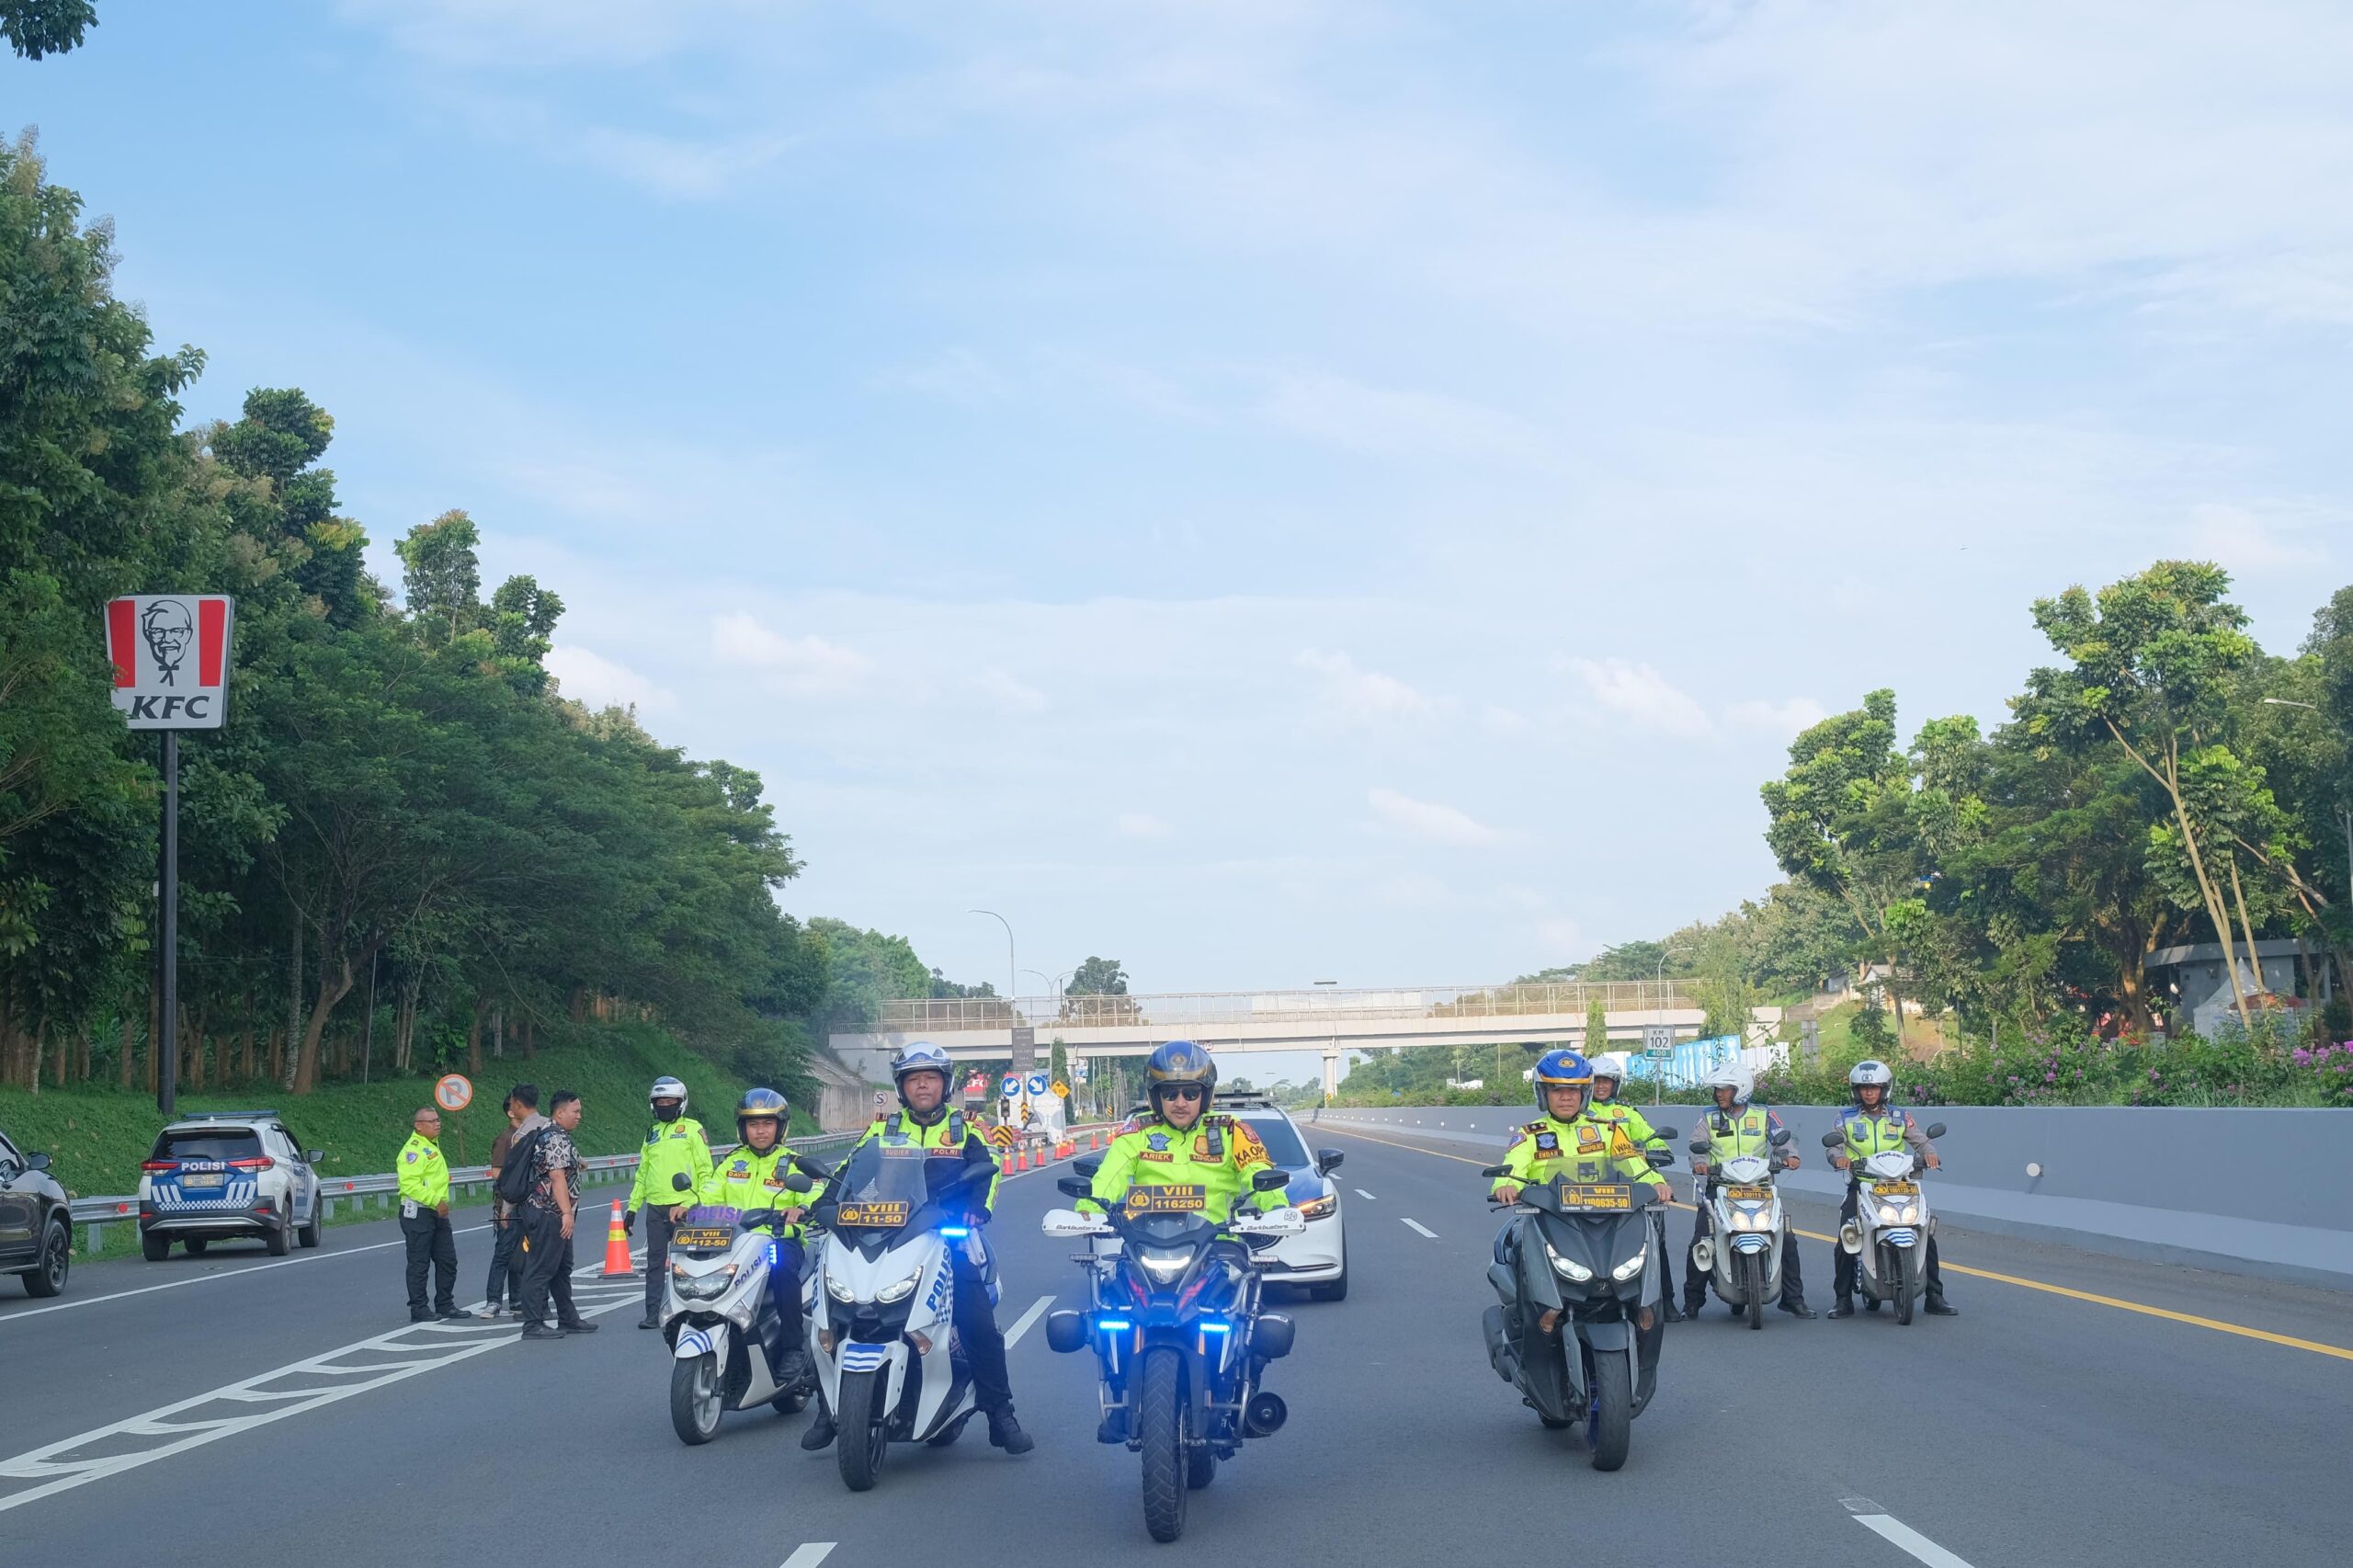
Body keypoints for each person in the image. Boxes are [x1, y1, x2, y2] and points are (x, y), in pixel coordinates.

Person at [801, 1042, 1031, 1455]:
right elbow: (847, 1173)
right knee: (830, 1311)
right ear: (902, 1087)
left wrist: (977, 1211)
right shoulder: (882, 1130)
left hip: (946, 1234)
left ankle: (1000, 1413)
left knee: (977, 1321)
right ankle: (827, 1408)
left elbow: (988, 1174)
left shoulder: (967, 1129)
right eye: (913, 1079)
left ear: (945, 1085)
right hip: (886, 1232)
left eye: (930, 1078)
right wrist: (823, 1203)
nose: (922, 1085)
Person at [1081, 1040, 1289, 1445]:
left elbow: (1260, 1173)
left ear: (1205, 1095)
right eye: (1169, 1093)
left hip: (1218, 1246)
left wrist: (1276, 1206)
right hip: (1144, 1246)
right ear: (1156, 1098)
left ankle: (1243, 1393)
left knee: (1247, 1318)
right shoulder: (1135, 1135)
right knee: (1109, 1305)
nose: (1180, 1101)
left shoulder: (1232, 1132)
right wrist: (1086, 1210)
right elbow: (1106, 1180)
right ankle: (1122, 1394)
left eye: (1190, 1093)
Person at [696, 1087, 823, 1381]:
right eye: (753, 1124)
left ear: (780, 1127)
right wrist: (689, 1206)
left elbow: (817, 1190)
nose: (760, 1131)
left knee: (782, 1271)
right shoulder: (731, 1162)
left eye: (767, 1124)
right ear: (743, 1128)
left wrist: (802, 1207)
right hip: (735, 1242)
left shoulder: (793, 1162)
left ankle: (793, 1348)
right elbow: (710, 1193)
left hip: (780, 1240)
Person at [1680, 1064, 1813, 1319]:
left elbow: (1782, 1141)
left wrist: (1790, 1157)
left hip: (1760, 1189)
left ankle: (1793, 1299)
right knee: (1701, 1240)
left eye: (1726, 1089)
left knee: (1787, 1239)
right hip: (1720, 1188)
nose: (1720, 1094)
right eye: (1718, 1090)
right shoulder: (1708, 1117)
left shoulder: (1764, 1115)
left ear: (1740, 1090)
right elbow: (1696, 1146)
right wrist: (1700, 1161)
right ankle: (1692, 1303)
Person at [1827, 1061, 1957, 1319]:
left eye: (1874, 1087)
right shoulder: (1845, 1117)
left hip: (1900, 1185)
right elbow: (1834, 1146)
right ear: (1856, 1090)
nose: (1869, 1092)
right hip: (1863, 1185)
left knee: (1924, 1233)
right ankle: (1843, 1299)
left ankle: (1934, 1295)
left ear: (1885, 1089)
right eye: (1864, 1088)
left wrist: (1930, 1155)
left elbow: (1922, 1141)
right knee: (1847, 1237)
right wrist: (1838, 1158)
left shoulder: (1900, 1116)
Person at [1587, 1053, 1682, 1318]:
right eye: (1596, 1081)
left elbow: (1650, 1137)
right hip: (1588, 1189)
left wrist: (1658, 1149)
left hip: (1630, 1188)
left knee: (1654, 1242)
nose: (1601, 1086)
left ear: (1615, 1085)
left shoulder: (1627, 1114)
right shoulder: (1580, 1114)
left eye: (1607, 1081)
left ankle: (1666, 1302)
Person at [626, 1075, 713, 1330]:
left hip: (685, 1208)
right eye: (660, 1101)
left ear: (681, 1103)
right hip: (655, 1207)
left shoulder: (692, 1129)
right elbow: (643, 1173)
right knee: (654, 1263)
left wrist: (697, 1202)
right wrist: (632, 1208)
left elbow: (705, 1170)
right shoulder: (651, 1133)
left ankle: (691, 1309)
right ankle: (653, 1312)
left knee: (688, 1263)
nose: (665, 1105)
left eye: (670, 1101)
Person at [516, 1090, 599, 1340]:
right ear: (560, 1112)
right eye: (575, 1111)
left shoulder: (557, 1135)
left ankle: (567, 1317)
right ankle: (532, 1324)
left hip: (553, 1213)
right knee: (540, 1268)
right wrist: (566, 1213)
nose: (579, 1116)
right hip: (548, 1213)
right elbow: (556, 1176)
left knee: (562, 1267)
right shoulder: (555, 1138)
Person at [397, 1108, 472, 1324]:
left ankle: (445, 1304)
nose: (437, 1124)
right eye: (431, 1121)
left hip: (436, 1212)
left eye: (438, 1120)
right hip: (419, 1212)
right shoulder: (413, 1151)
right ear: (418, 1126)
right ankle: (419, 1308)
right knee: (419, 1262)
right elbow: (409, 1184)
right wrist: (435, 1201)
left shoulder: (431, 1146)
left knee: (447, 1260)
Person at [483, 1085, 537, 1319]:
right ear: (511, 1112)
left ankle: (516, 1300)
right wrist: (515, 1179)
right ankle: (493, 1301)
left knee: (522, 1254)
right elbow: (496, 1172)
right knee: (503, 1253)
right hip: (508, 1204)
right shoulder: (506, 1139)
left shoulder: (529, 1135)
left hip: (528, 1204)